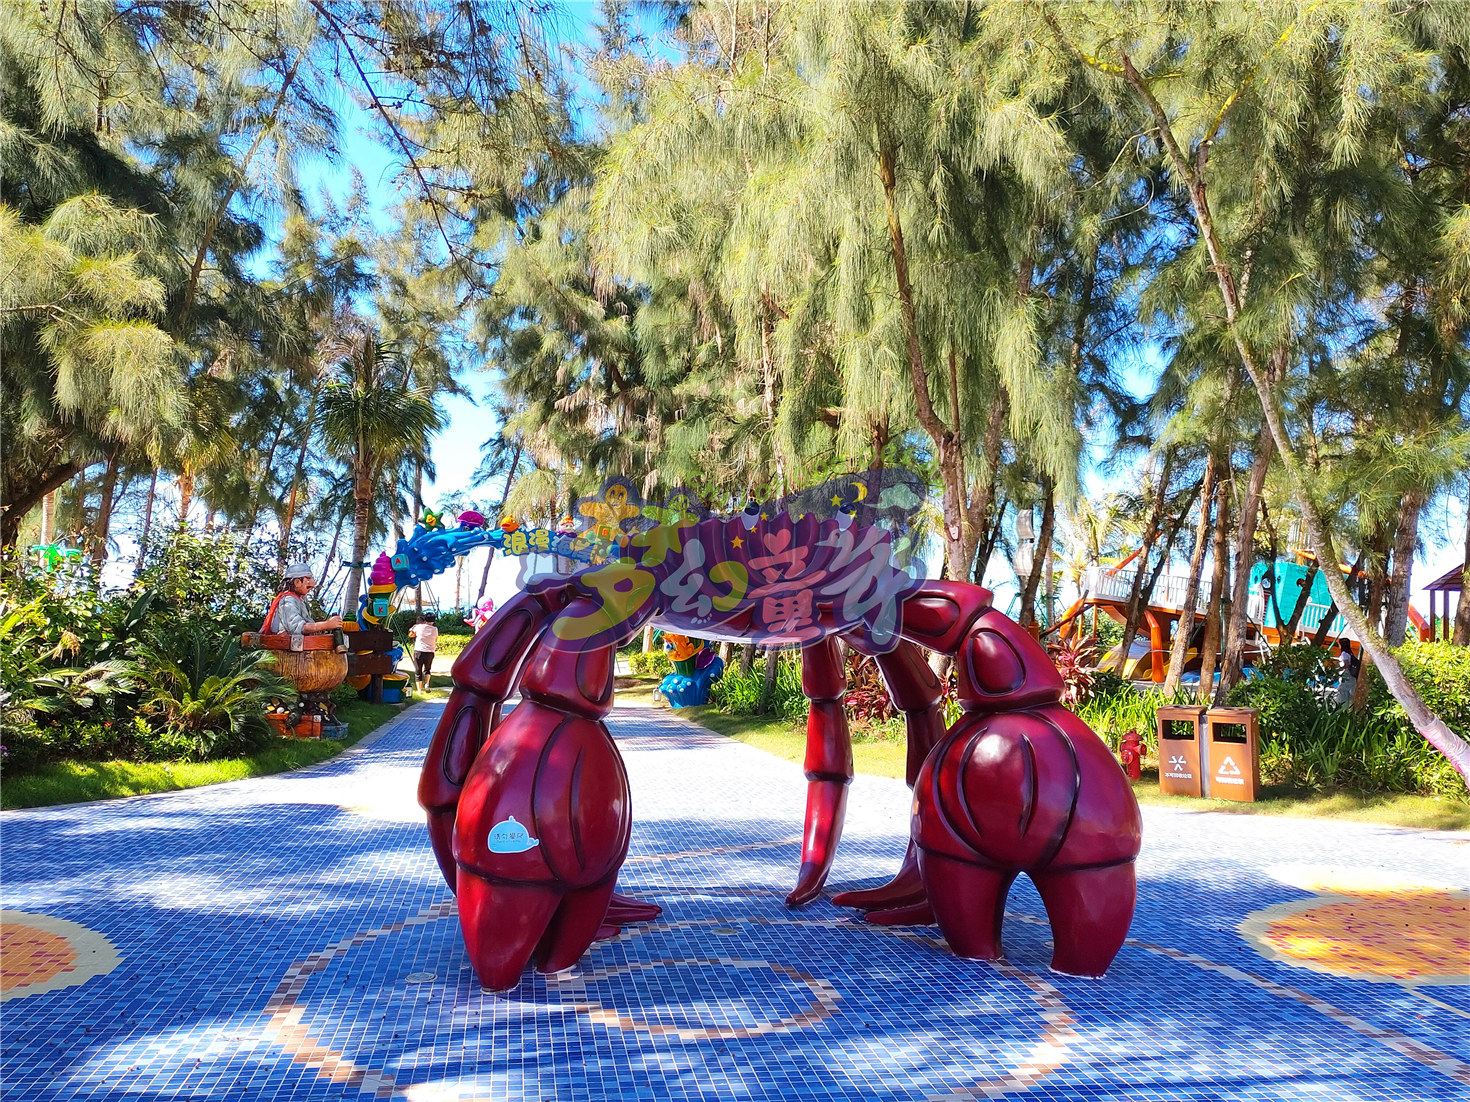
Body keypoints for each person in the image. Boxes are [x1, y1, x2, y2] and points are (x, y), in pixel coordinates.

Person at [264, 563, 343, 646]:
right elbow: (298, 627)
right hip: (288, 648)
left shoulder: (299, 600)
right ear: (297, 582)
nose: (313, 583)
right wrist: (326, 625)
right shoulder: (288, 600)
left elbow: (307, 623)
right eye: (308, 578)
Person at [408, 612, 440, 686]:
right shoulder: (435, 629)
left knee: (418, 670)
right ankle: (427, 683)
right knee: (427, 669)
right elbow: (436, 639)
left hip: (419, 650)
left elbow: (410, 635)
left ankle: (419, 690)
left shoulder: (418, 627)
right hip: (430, 652)